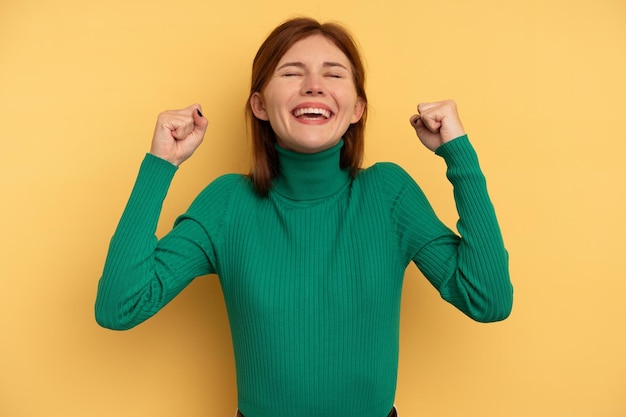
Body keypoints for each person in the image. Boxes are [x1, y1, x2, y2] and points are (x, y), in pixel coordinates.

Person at [95, 17, 513, 417]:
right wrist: (160, 164)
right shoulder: (227, 204)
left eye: (333, 75)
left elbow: (487, 299)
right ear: (259, 105)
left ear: (357, 109)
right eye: (292, 73)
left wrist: (458, 153)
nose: (314, 86)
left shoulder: (389, 195)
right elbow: (120, 305)